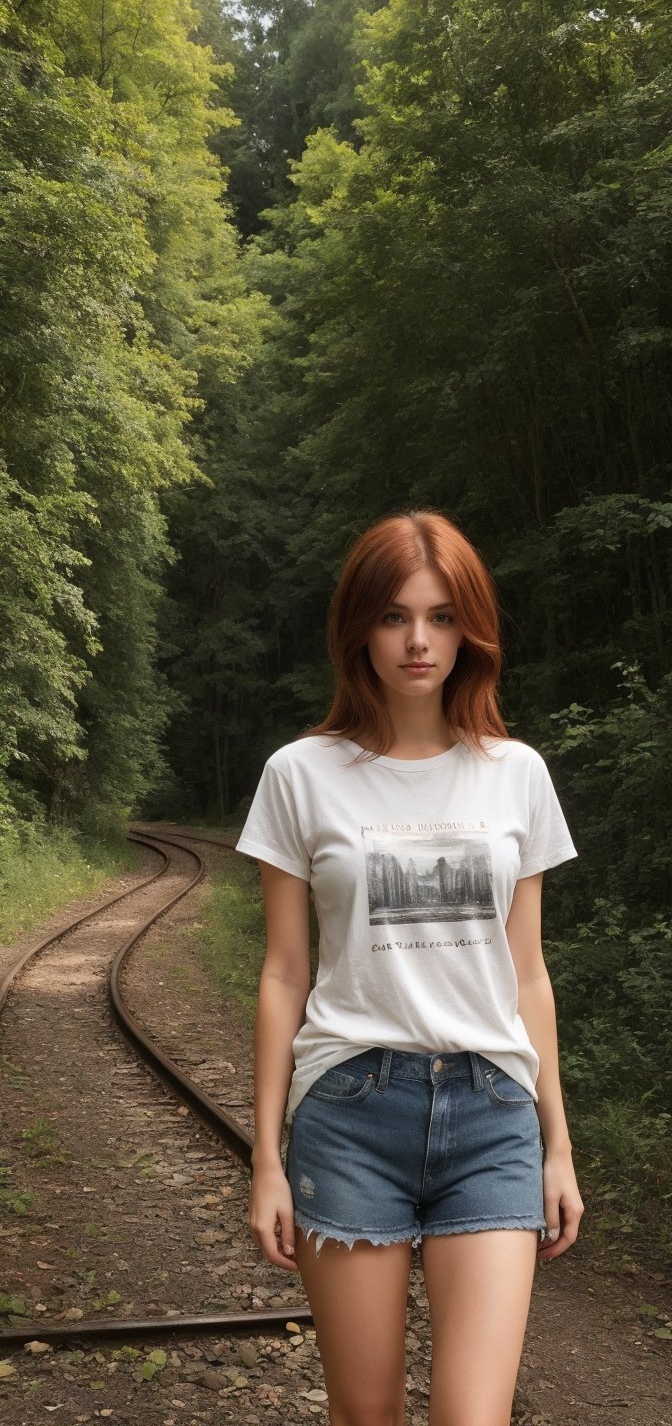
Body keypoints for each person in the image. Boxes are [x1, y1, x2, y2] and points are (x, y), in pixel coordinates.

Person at [236, 509, 584, 1426]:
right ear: (359, 628)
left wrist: (558, 1144)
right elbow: (282, 974)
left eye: (439, 616)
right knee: (368, 1415)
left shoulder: (517, 774)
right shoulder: (300, 775)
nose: (418, 640)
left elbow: (528, 973)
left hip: (492, 1115)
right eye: (393, 616)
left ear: (471, 628)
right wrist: (265, 1158)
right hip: (351, 1112)